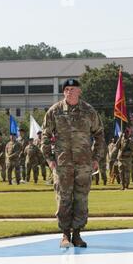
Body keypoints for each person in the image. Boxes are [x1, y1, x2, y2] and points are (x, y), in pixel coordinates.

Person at [41, 78, 105, 248]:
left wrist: (96, 158)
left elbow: (99, 134)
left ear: (80, 91)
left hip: (84, 164)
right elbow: (45, 135)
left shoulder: (89, 111)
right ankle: (64, 234)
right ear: (64, 92)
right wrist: (49, 159)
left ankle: (77, 234)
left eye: (73, 89)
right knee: (63, 198)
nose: (70, 92)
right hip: (62, 164)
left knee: (81, 199)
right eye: (67, 89)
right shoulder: (55, 111)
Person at [112, 125, 133, 190]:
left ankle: (127, 185)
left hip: (127, 159)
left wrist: (126, 153)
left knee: (127, 173)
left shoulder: (130, 141)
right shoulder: (121, 140)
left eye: (126, 133)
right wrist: (120, 138)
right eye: (124, 133)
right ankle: (122, 185)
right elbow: (117, 146)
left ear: (128, 134)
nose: (125, 134)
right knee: (121, 172)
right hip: (120, 159)